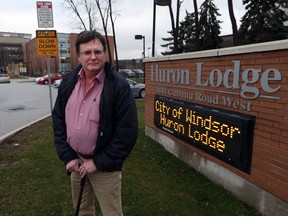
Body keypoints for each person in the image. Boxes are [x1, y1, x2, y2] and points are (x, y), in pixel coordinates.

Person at [52, 30, 138, 216]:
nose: (93, 57)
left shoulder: (118, 86)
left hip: (105, 167)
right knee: (82, 210)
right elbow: (58, 120)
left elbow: (127, 133)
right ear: (79, 56)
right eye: (87, 52)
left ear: (105, 54)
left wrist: (97, 162)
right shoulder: (68, 82)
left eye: (97, 52)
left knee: (111, 213)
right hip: (76, 162)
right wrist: (68, 156)